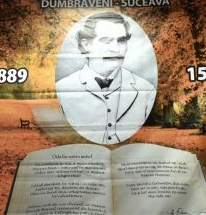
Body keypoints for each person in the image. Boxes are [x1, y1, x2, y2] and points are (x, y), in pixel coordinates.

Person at [56, 12, 156, 145]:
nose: (116, 49)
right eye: (106, 41)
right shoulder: (61, 90)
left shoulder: (146, 90)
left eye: (121, 40)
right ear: (86, 45)